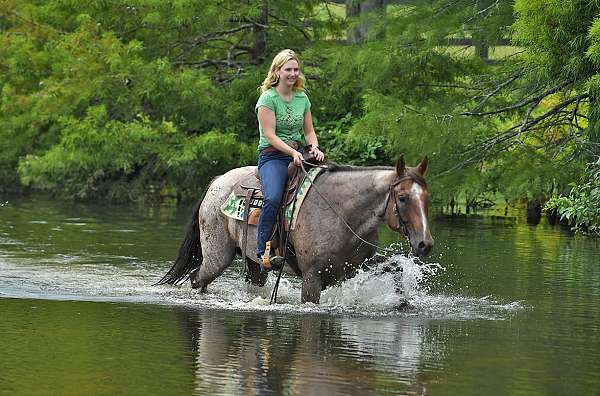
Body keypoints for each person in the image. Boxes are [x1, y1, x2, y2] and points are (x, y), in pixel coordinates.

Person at [255, 49, 325, 270]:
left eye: (296, 69)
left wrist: (314, 148)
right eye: (288, 69)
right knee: (273, 198)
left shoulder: (302, 98)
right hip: (273, 156)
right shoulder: (268, 98)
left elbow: (309, 131)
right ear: (277, 71)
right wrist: (292, 153)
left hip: (299, 152)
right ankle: (261, 250)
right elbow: (270, 135)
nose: (293, 73)